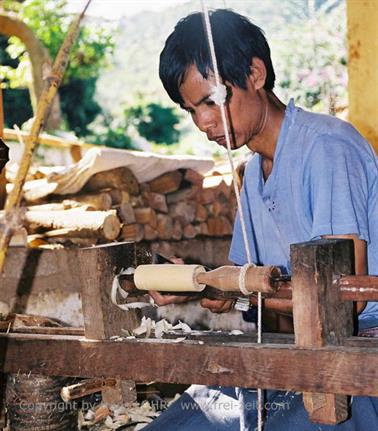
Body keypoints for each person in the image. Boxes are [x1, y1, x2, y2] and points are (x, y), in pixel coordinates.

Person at [145, 9, 378, 431]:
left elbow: (346, 300)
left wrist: (221, 283)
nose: (203, 122)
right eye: (190, 110)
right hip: (299, 350)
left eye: (212, 101)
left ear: (255, 74)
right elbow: (248, 285)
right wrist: (199, 287)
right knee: (174, 425)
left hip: (358, 356)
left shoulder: (327, 148)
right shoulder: (253, 172)